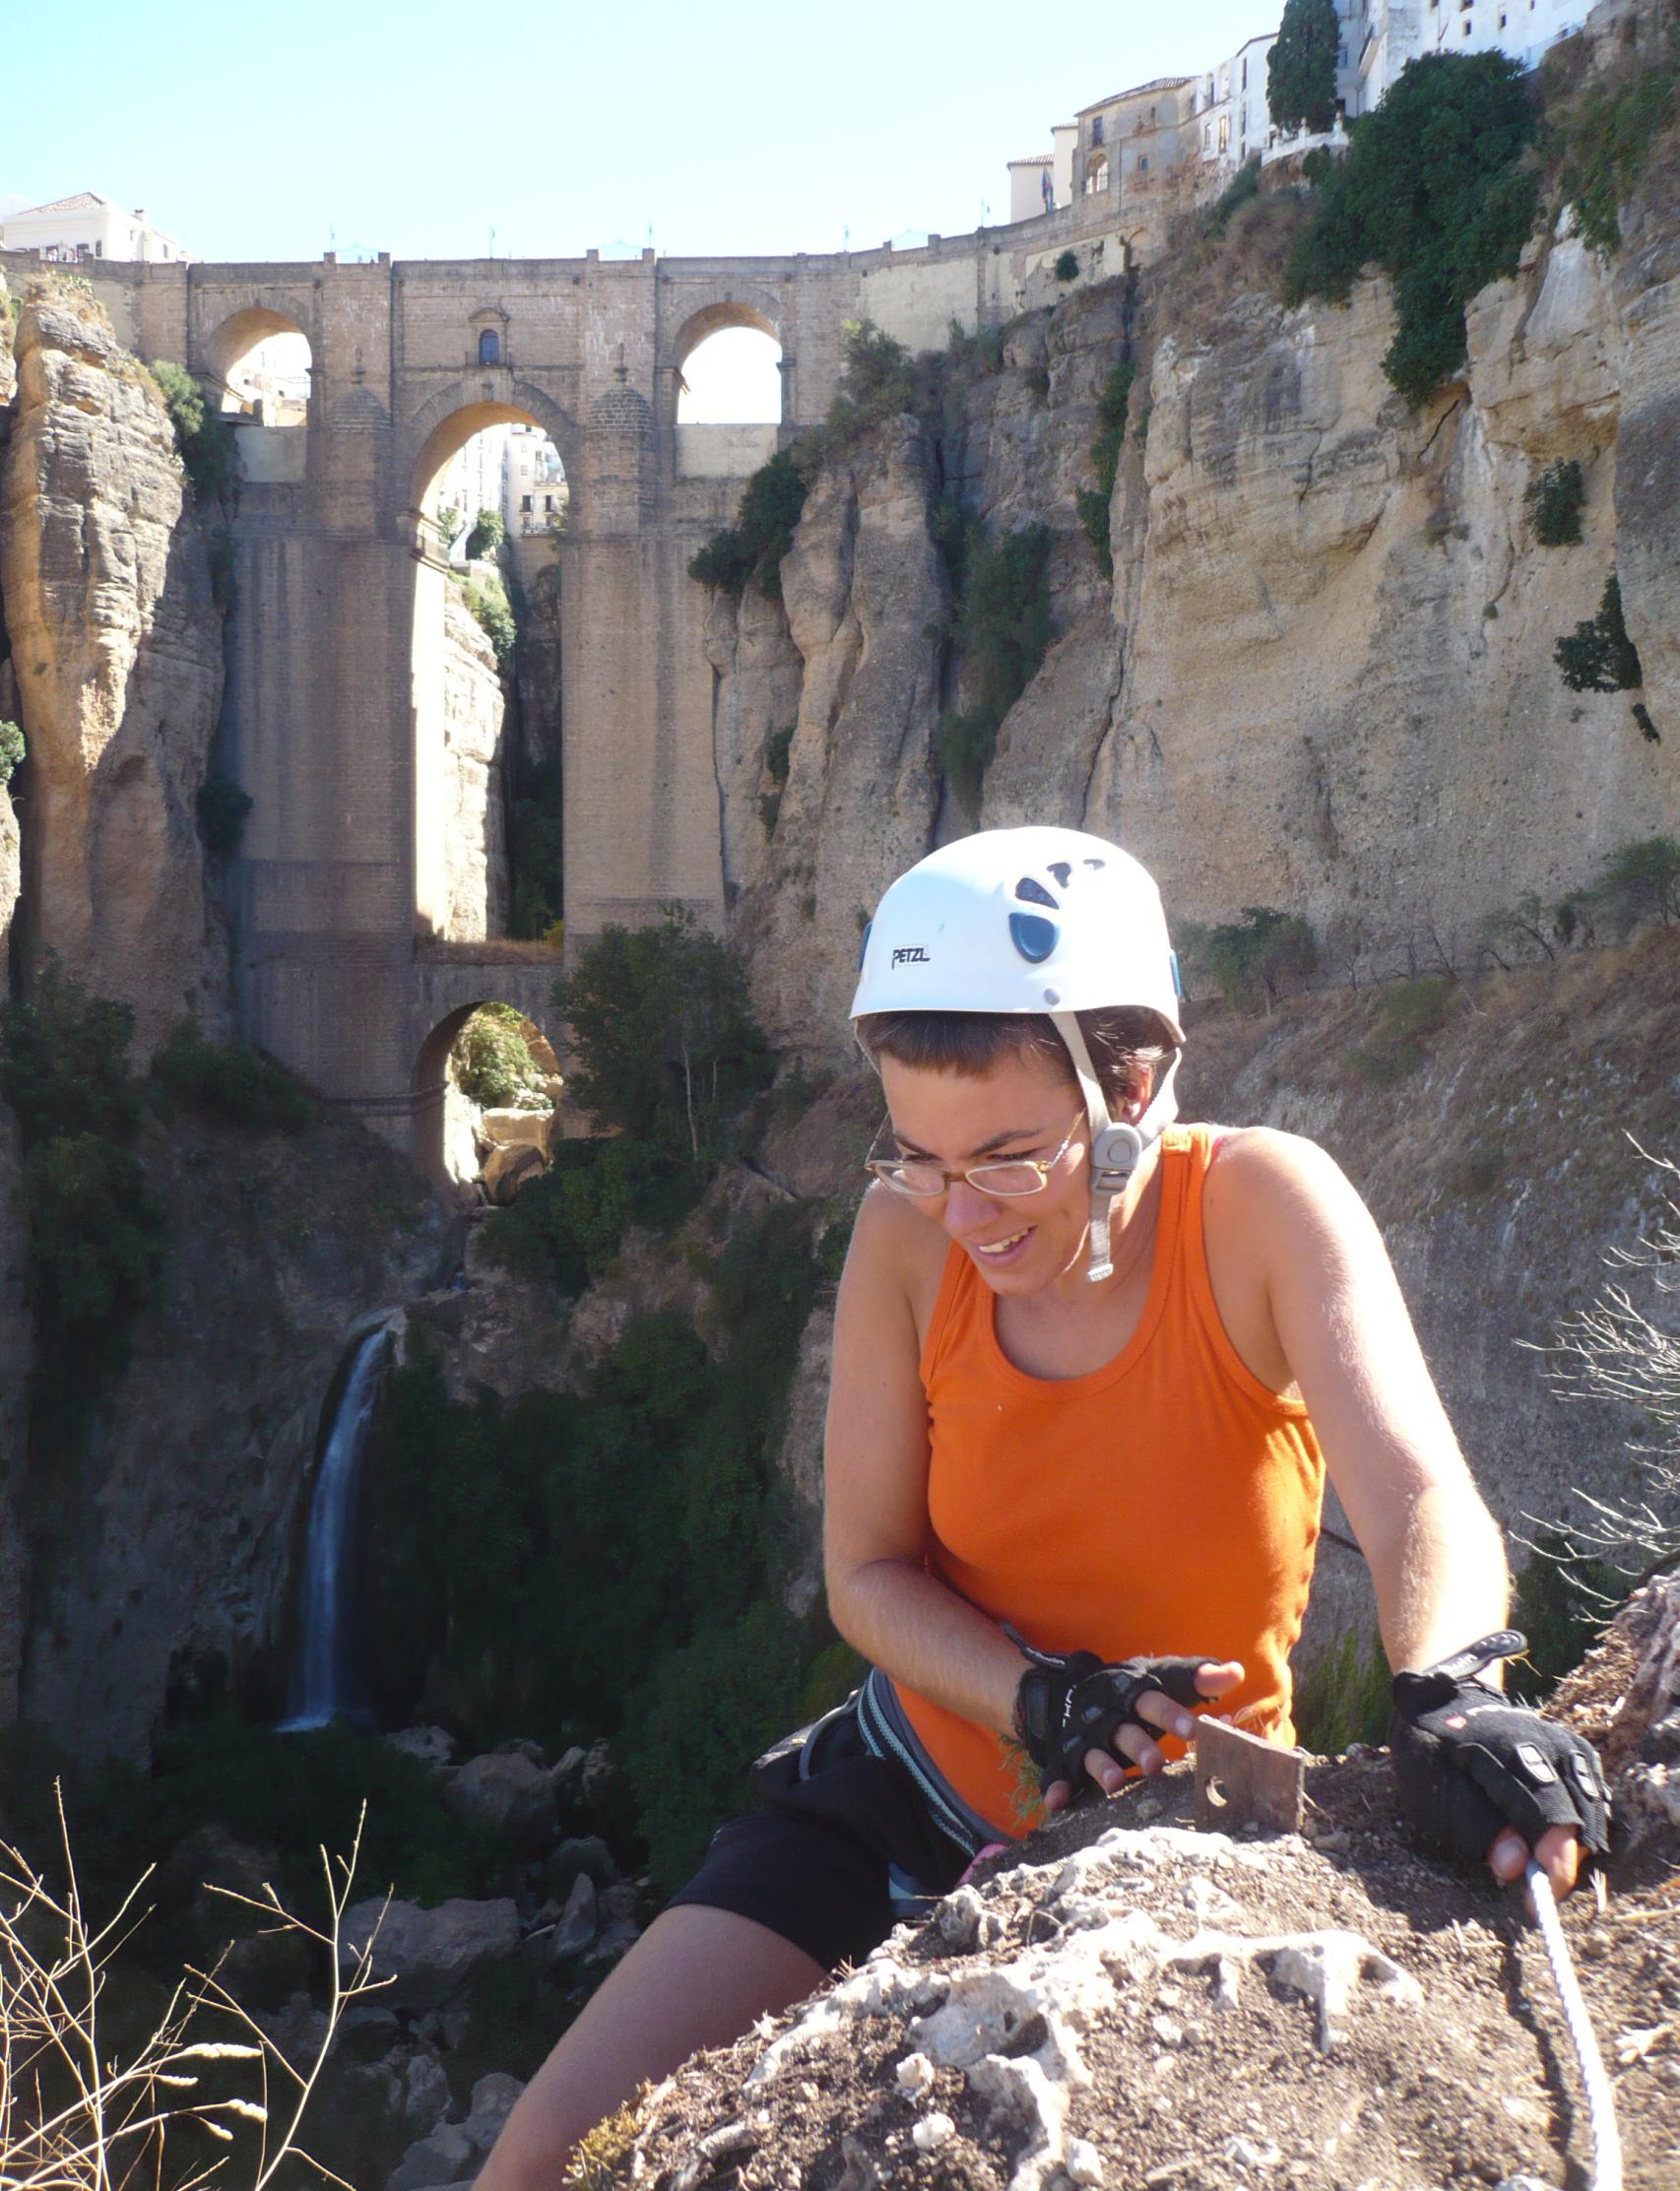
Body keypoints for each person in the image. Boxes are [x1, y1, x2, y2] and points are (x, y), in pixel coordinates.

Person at [479, 826, 1608, 2191]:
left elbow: (1420, 1491)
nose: (965, 1214)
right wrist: (1039, 1697)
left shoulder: (1254, 1208)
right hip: (903, 1784)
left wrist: (1448, 1684)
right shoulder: (903, 1239)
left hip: (1178, 1825)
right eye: (918, 1156)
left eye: (1008, 1157)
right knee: (538, 2158)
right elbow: (865, 1572)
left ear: (1131, 1082)